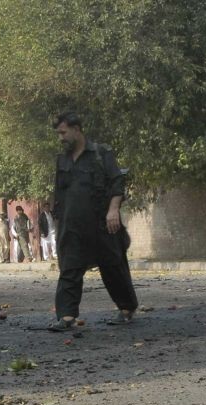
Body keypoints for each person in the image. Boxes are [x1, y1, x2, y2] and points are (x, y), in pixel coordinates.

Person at [48, 111, 138, 331]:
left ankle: (126, 308)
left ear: (77, 129)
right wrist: (57, 219)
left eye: (63, 132)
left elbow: (117, 183)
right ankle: (66, 316)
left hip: (102, 223)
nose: (61, 138)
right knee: (69, 267)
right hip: (72, 225)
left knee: (113, 266)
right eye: (58, 134)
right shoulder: (62, 160)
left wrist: (113, 210)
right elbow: (59, 192)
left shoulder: (101, 153)